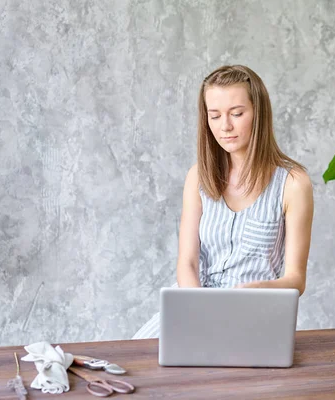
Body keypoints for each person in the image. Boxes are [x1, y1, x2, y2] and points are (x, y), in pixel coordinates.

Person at [133, 65, 314, 339]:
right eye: (214, 116)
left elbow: (296, 280)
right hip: (195, 306)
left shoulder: (293, 183)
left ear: (259, 115)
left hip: (255, 314)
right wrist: (201, 311)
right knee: (136, 357)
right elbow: (188, 264)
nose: (225, 126)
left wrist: (246, 294)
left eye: (237, 114)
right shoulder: (198, 177)